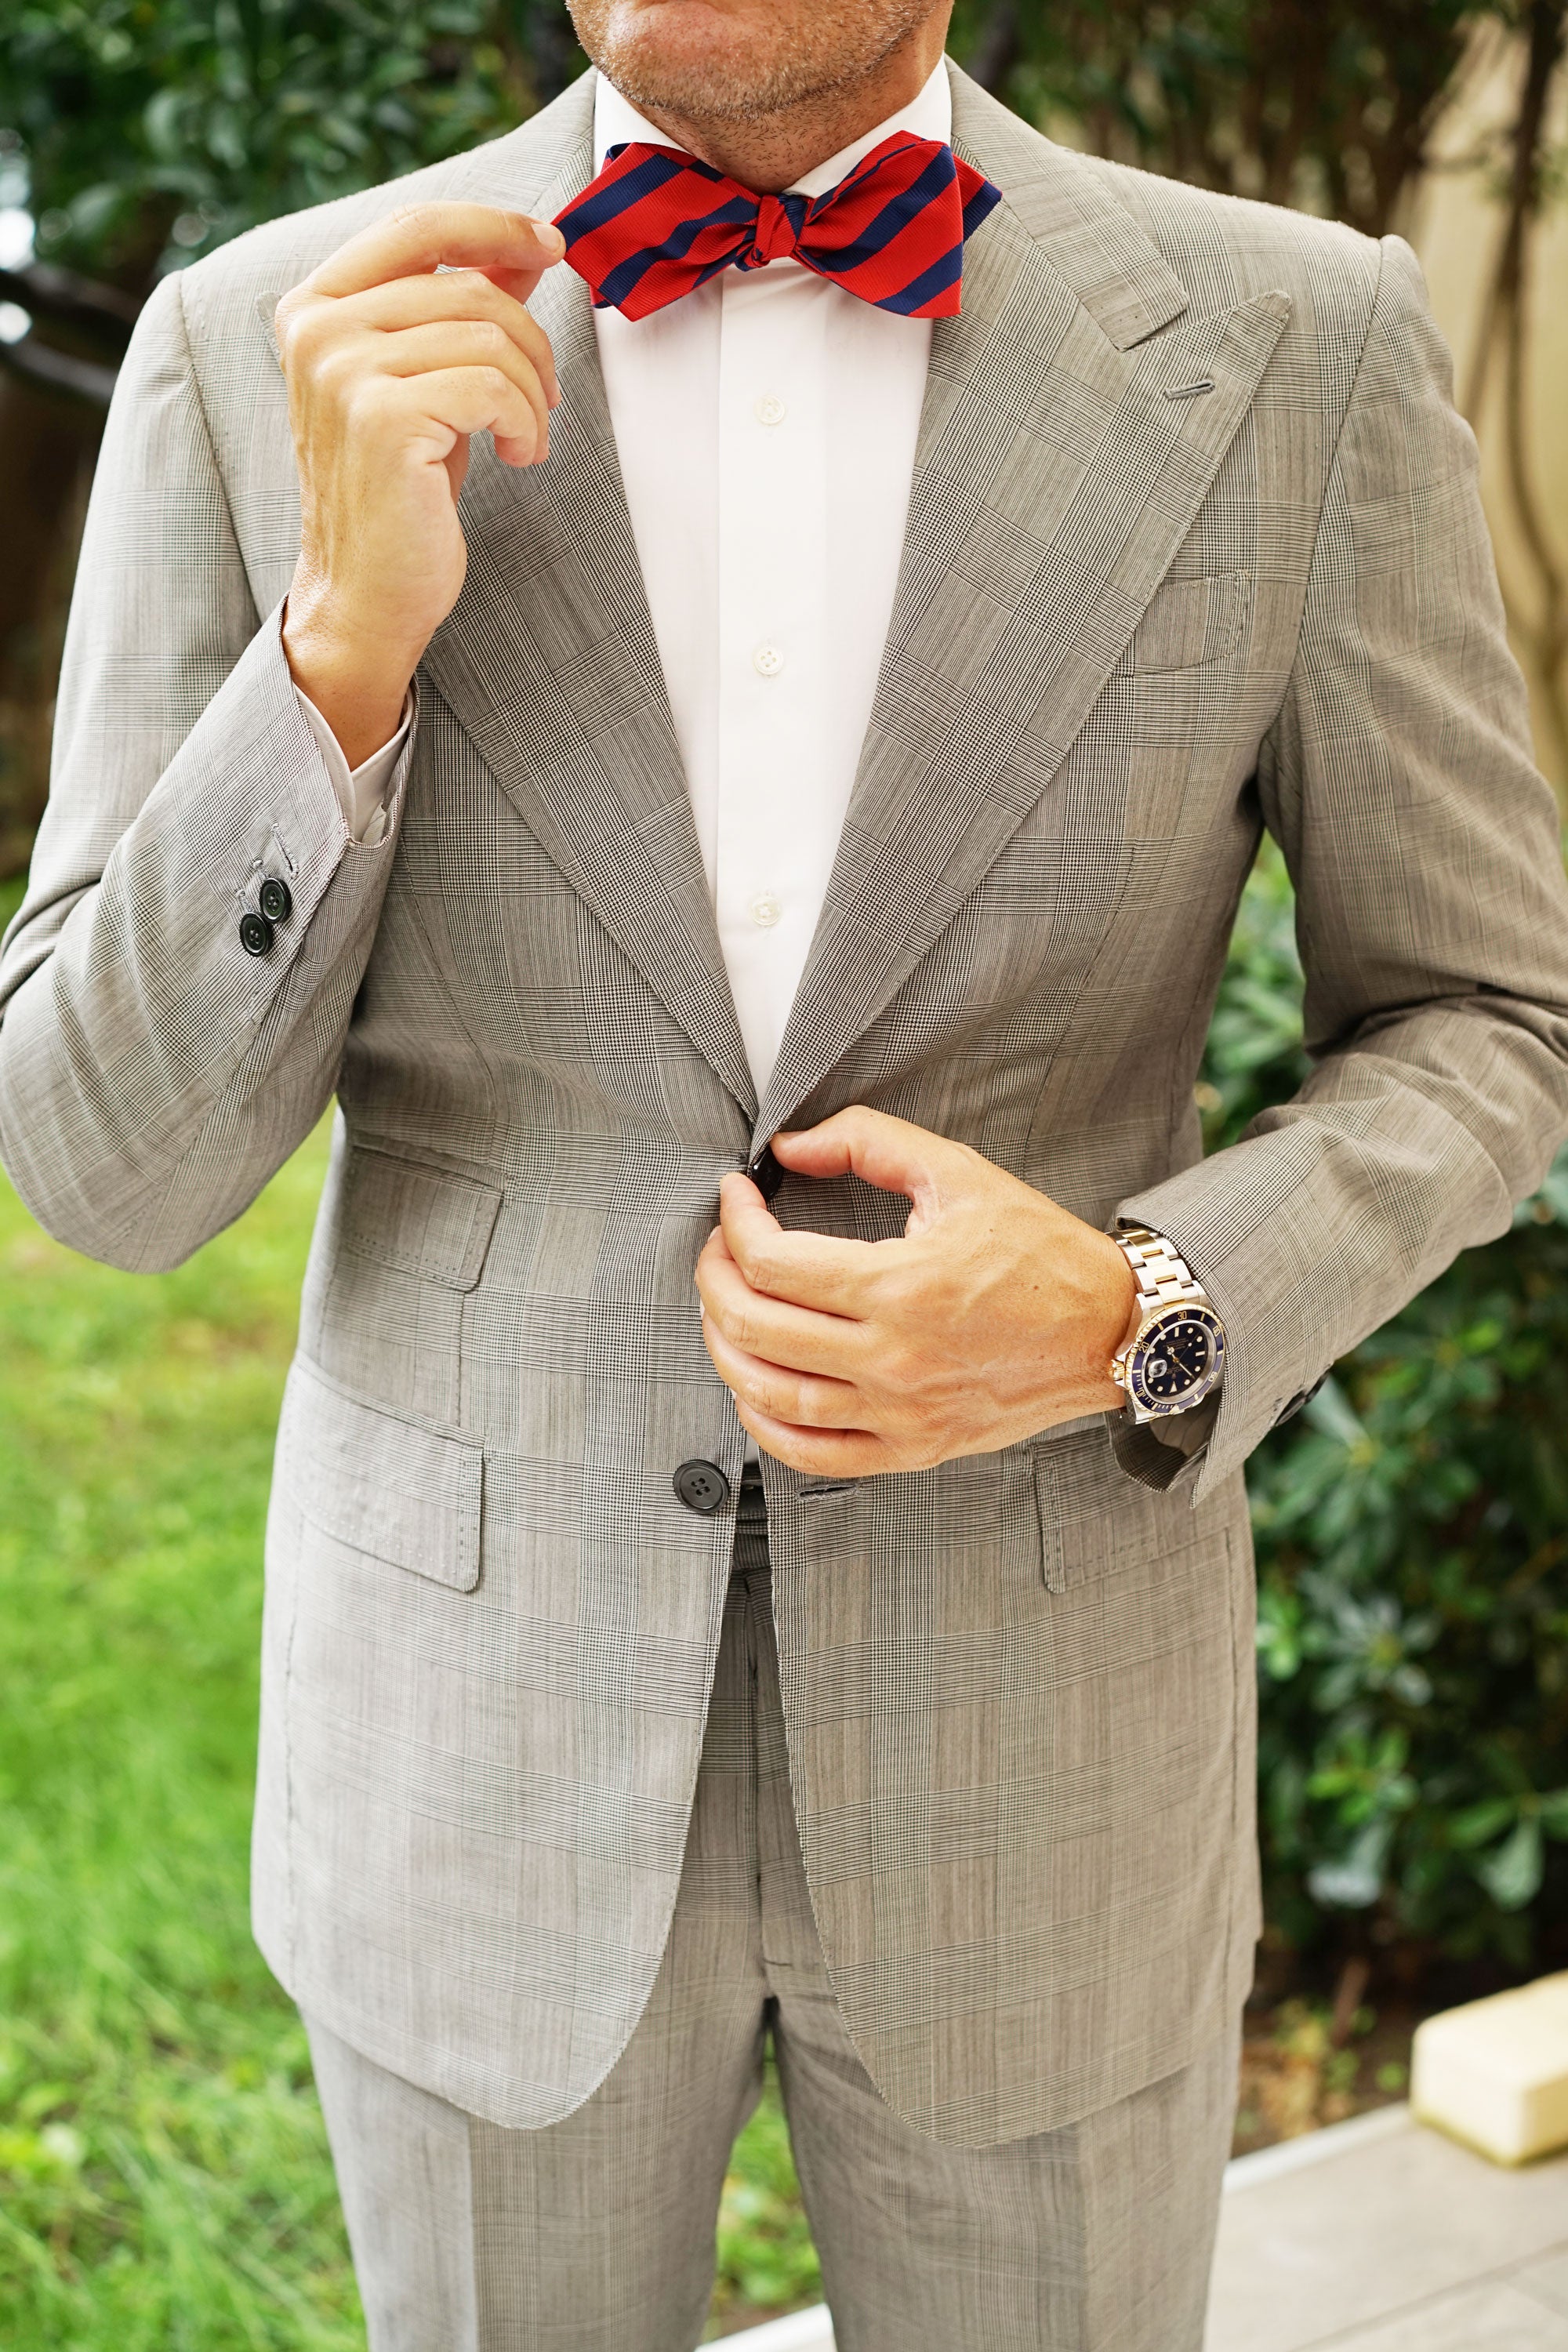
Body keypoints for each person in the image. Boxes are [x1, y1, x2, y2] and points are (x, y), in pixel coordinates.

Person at [3, 0, 1567, 2342]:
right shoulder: (261, 349)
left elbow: (1493, 1019)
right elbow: (104, 1178)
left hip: (1045, 1772)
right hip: (472, 1773)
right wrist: (335, 658)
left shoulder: (1295, 346)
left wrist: (1140, 1300)